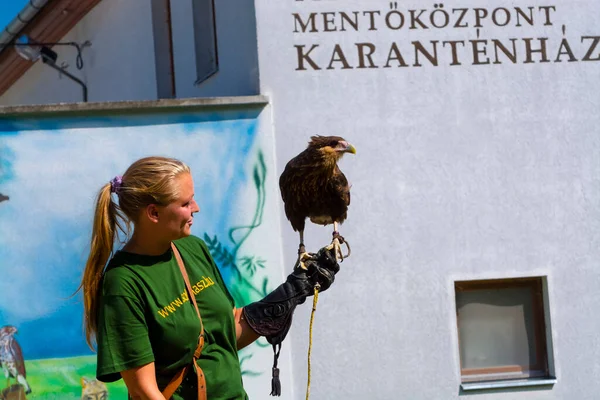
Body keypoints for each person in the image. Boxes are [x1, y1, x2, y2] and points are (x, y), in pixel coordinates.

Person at [77, 156, 340, 400]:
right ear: (154, 213)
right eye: (185, 203)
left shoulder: (193, 249)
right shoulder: (124, 282)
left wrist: (293, 290)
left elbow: (225, 332)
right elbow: (144, 391)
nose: (196, 208)